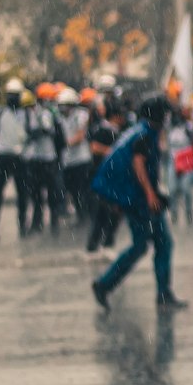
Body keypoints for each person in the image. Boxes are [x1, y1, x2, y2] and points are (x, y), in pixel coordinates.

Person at [91, 94, 187, 311]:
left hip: (133, 197)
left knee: (149, 245)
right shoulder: (145, 135)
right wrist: (151, 194)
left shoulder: (139, 131)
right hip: (139, 199)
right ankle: (106, 285)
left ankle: (158, 292)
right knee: (152, 245)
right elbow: (138, 164)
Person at [0, 78, 30, 238]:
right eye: (10, 95)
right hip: (2, 157)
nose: (12, 98)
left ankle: (22, 225)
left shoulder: (26, 114)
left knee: (22, 194)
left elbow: (31, 133)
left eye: (15, 95)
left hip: (19, 158)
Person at [85, 98, 126, 256]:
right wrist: (112, 152)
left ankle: (102, 245)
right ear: (115, 115)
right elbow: (94, 147)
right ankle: (96, 247)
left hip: (112, 179)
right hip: (103, 179)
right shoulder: (103, 129)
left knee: (111, 213)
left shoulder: (116, 131)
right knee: (105, 213)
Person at [23, 84, 63, 233]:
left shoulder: (51, 114)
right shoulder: (33, 113)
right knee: (36, 194)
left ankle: (53, 223)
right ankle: (37, 223)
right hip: (37, 159)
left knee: (51, 194)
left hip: (48, 158)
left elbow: (50, 131)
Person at [56, 87, 93, 219]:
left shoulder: (81, 115)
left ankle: (87, 214)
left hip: (82, 159)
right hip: (68, 160)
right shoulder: (60, 119)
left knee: (83, 189)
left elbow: (80, 135)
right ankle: (80, 214)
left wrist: (65, 143)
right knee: (72, 190)